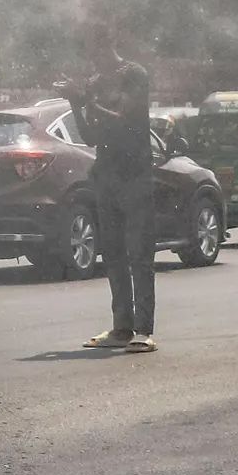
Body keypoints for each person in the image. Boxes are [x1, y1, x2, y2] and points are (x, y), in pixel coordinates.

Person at [65, 24, 158, 353]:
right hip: (106, 175)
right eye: (89, 50)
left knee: (139, 254)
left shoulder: (134, 74)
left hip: (135, 175)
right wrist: (76, 105)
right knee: (114, 254)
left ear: (110, 43)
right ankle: (122, 327)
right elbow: (91, 137)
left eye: (96, 47)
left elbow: (124, 118)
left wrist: (85, 101)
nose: (93, 56)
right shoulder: (93, 83)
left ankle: (144, 330)